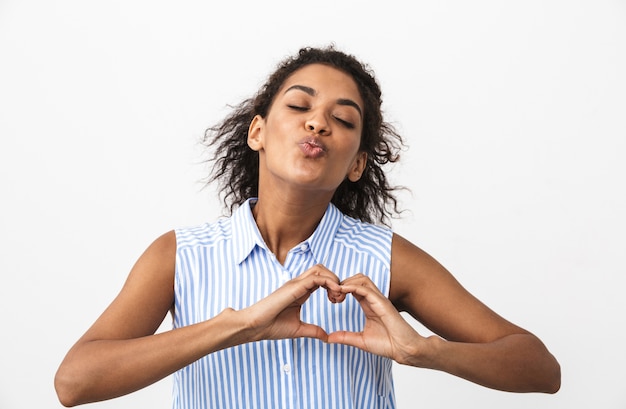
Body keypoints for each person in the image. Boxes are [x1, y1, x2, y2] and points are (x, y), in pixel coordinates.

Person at [54, 45, 561, 408]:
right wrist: (238, 327)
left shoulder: (387, 258)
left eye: (342, 120)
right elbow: (74, 383)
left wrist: (427, 352)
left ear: (357, 163)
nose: (317, 123)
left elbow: (540, 368)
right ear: (258, 131)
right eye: (299, 107)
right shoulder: (179, 255)